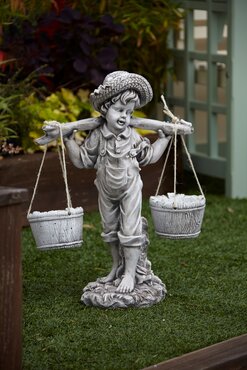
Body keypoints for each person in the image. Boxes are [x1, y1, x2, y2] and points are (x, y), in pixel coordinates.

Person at [38, 71, 193, 294]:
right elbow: (82, 161)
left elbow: (148, 157)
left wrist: (164, 138)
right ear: (105, 110)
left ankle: (130, 274)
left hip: (130, 187)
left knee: (130, 229)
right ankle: (116, 267)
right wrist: (69, 139)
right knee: (110, 229)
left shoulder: (132, 136)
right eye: (119, 110)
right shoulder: (97, 135)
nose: (125, 117)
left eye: (129, 113)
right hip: (105, 188)